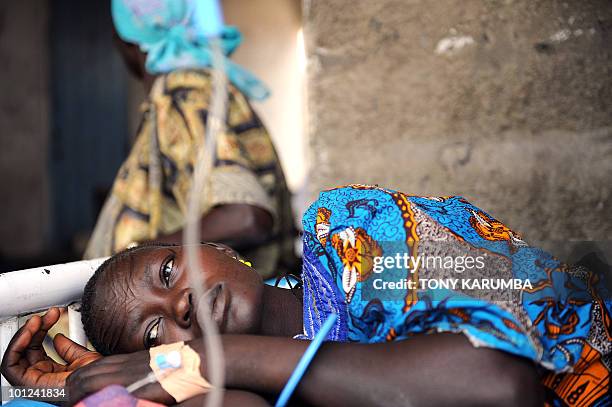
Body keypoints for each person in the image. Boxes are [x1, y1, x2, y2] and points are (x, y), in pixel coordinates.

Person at [3, 185, 610, 406]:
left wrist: (211, 358)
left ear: (217, 250)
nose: (180, 306)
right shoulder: (243, 392)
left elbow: (498, 386)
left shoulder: (348, 234)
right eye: (156, 334)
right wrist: (108, 388)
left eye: (167, 275)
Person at [84, 0, 297, 279]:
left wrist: (137, 253)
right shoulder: (197, 88)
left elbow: (246, 216)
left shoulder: (182, 96)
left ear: (128, 42)